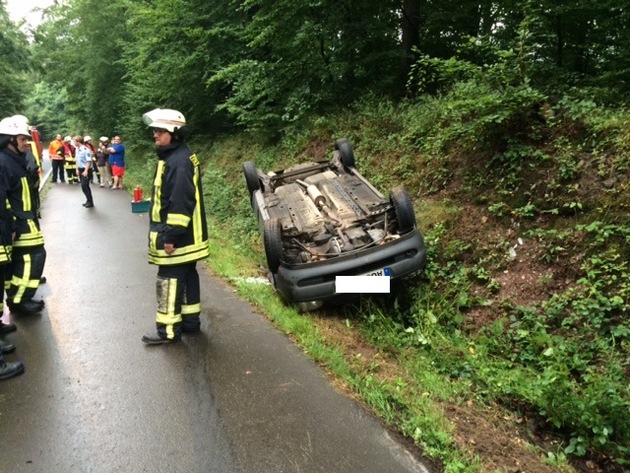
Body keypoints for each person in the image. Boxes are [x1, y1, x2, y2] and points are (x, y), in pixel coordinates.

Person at [141, 108, 210, 345]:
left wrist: (170, 236)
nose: (155, 136)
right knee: (188, 275)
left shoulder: (178, 161)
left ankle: (168, 332)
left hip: (179, 238)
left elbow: (181, 202)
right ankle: (190, 323)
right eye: (155, 131)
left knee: (169, 278)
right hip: (190, 238)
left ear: (175, 133)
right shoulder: (177, 156)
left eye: (160, 131)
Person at [0, 115, 46, 315]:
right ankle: (20, 300)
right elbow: (4, 198)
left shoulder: (14, 160)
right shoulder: (3, 162)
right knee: (33, 256)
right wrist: (11, 226)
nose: (26, 144)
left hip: (25, 218)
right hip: (18, 222)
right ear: (9, 140)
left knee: (23, 259)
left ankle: (18, 298)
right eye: (22, 139)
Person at [74, 135, 94, 208]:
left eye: (74, 141)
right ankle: (88, 200)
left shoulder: (86, 150)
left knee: (85, 186)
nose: (73, 143)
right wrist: (77, 169)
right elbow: (77, 160)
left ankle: (90, 201)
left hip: (86, 169)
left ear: (78, 141)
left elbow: (88, 161)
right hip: (80, 169)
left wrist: (86, 171)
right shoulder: (77, 149)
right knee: (84, 186)